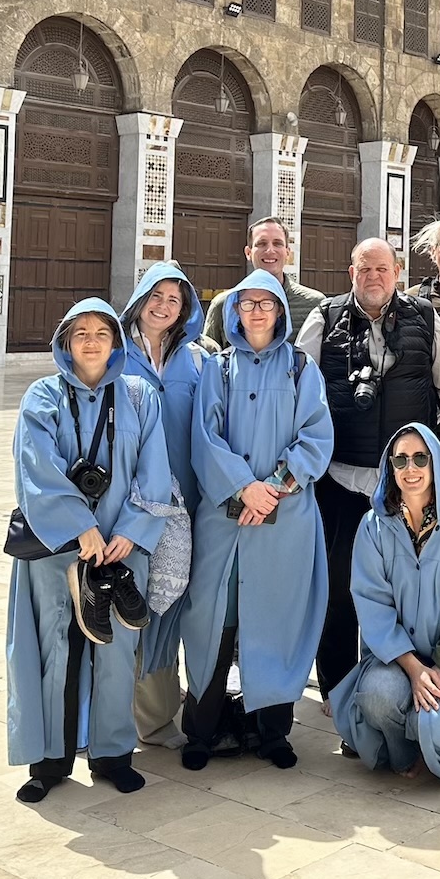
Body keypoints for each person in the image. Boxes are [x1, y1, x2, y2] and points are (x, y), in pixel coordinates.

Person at [5, 299, 176, 801]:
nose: (93, 341)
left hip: (122, 549)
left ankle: (112, 754)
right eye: (81, 333)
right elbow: (35, 467)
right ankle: (50, 762)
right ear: (65, 341)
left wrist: (131, 530)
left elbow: (155, 467)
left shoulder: (139, 395)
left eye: (102, 331)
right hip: (59, 548)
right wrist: (81, 528)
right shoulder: (43, 397)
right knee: (56, 647)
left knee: (118, 650)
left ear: (116, 342)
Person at [181, 270, 334, 771]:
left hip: (284, 519)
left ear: (281, 311)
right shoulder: (217, 370)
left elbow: (316, 435)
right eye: (248, 303)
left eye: (267, 303)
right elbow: (205, 437)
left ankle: (273, 733)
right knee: (213, 623)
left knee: (274, 620)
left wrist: (274, 490)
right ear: (234, 311)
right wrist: (245, 486)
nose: (258, 312)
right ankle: (201, 732)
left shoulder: (300, 368)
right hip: (224, 520)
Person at [297, 238, 440, 699]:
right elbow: (303, 388)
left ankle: (396, 685)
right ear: (352, 274)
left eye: (382, 269)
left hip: (404, 485)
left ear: (398, 272)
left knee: (402, 588)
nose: (373, 278)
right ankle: (338, 687)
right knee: (339, 587)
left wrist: (415, 451)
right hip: (343, 477)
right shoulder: (325, 317)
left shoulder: (425, 317)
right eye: (364, 270)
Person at [330, 424, 440, 781]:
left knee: (438, 724)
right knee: (379, 697)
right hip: (396, 660)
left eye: (419, 458)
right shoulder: (373, 527)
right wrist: (415, 670)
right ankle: (402, 755)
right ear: (390, 468)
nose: (410, 468)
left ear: (436, 463)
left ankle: (435, 734)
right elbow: (373, 608)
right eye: (400, 460)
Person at [120, 262, 213, 751]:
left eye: (174, 300)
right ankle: (127, 717)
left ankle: (158, 712)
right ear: (140, 298)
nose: (163, 306)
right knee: (131, 600)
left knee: (173, 600)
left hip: (188, 499)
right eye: (155, 296)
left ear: (185, 311)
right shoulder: (114, 352)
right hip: (131, 503)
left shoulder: (196, 360)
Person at [203, 216, 325, 350]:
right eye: (261, 244)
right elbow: (209, 357)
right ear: (248, 253)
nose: (270, 250)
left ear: (288, 252)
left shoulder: (314, 304)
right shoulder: (223, 304)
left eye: (277, 243)